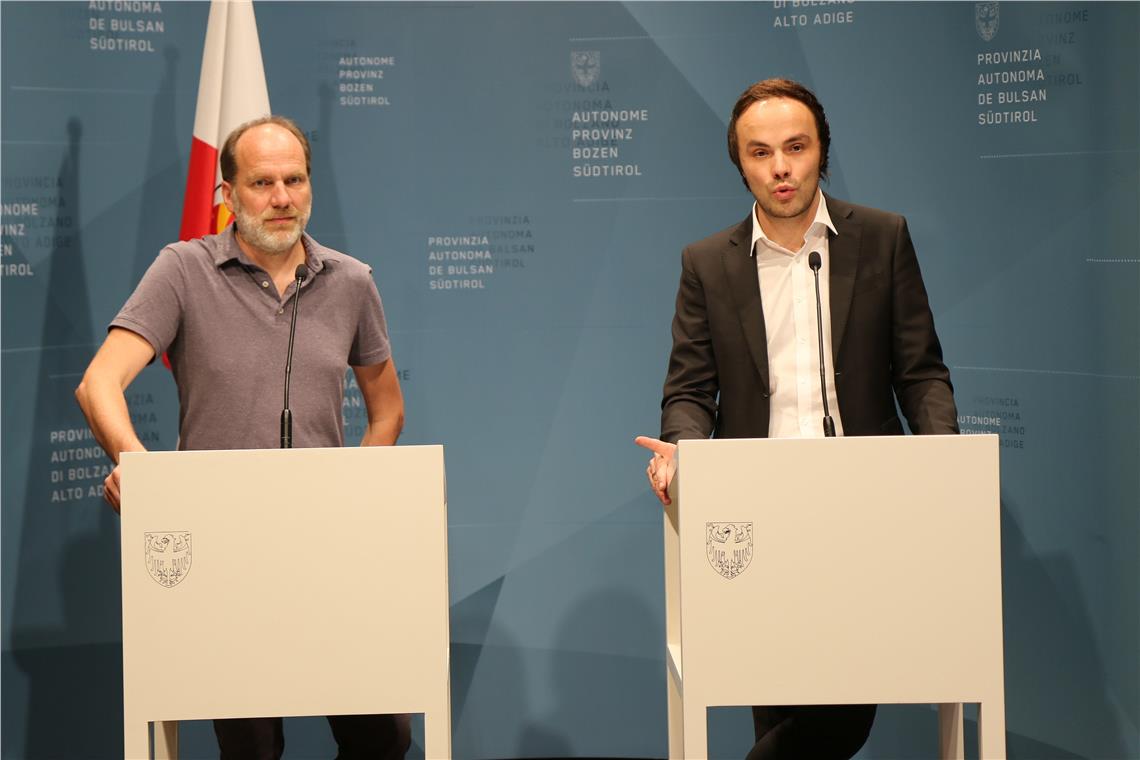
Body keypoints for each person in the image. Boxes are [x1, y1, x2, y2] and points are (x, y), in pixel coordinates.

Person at [635, 78, 959, 759]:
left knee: (846, 707)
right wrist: (683, 450)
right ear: (739, 162)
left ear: (822, 152)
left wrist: (944, 463)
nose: (780, 168)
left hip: (866, 505)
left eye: (795, 147)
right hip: (758, 509)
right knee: (778, 695)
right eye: (760, 152)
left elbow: (920, 371)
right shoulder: (707, 265)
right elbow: (689, 390)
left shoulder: (882, 238)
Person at [75, 115, 409, 760]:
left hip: (329, 550)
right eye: (262, 183)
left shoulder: (351, 282)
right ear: (226, 193)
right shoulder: (182, 270)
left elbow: (388, 410)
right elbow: (98, 384)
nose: (282, 198)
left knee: (382, 735)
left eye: (295, 180)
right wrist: (145, 475)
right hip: (222, 556)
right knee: (252, 746)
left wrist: (357, 495)